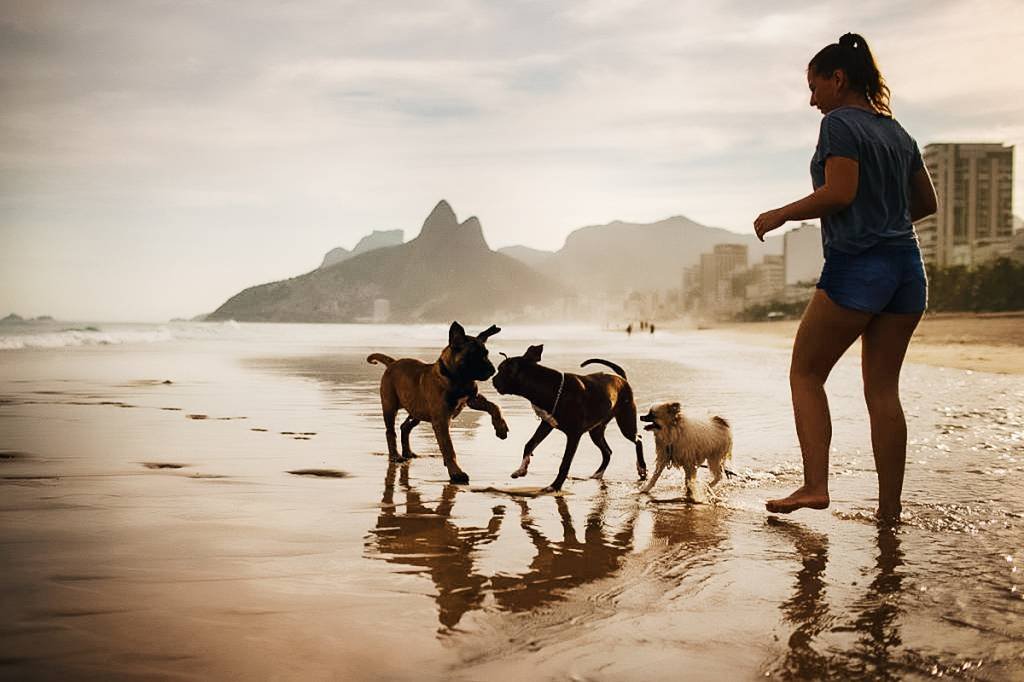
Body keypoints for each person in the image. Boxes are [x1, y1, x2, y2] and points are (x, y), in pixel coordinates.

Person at [753, 33, 937, 521]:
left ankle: (816, 486)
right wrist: (887, 221)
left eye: (814, 86)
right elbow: (926, 204)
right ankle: (889, 511)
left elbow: (839, 193)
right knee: (883, 392)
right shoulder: (898, 133)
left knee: (806, 372)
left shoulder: (840, 124)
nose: (812, 99)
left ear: (838, 80)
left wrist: (781, 214)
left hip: (861, 265)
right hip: (907, 269)